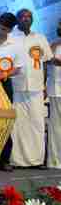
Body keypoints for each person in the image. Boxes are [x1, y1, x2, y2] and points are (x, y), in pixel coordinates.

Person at [10, 9, 52, 168]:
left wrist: (44, 84)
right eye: (22, 17)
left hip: (36, 87)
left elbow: (46, 61)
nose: (26, 19)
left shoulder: (40, 38)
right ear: (17, 20)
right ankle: (16, 160)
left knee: (37, 122)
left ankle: (37, 160)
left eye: (29, 17)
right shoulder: (11, 38)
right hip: (16, 86)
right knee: (17, 124)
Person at [0, 12, 23, 171]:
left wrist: (6, 74)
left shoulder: (15, 45)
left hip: (4, 84)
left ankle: (4, 159)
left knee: (4, 121)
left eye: (4, 29)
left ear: (10, 30)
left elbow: (18, 68)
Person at [47, 18, 61, 168]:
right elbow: (45, 62)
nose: (59, 27)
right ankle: (55, 161)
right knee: (55, 127)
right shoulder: (53, 44)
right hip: (55, 90)